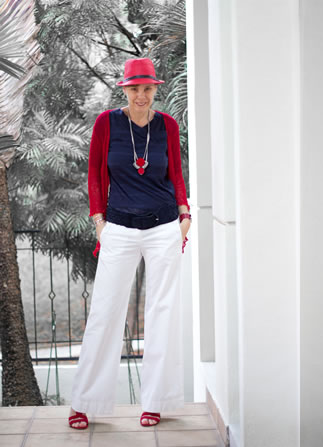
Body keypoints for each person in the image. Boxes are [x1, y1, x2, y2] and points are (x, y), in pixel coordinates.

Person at [68, 58, 191, 430]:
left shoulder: (167, 125)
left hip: (164, 226)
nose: (141, 95)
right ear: (125, 89)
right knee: (105, 311)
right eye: (135, 88)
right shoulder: (107, 123)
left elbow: (175, 172)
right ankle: (85, 402)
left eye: (148, 88)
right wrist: (99, 222)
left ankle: (156, 401)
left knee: (162, 312)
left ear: (156, 90)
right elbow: (94, 172)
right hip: (118, 227)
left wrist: (185, 216)